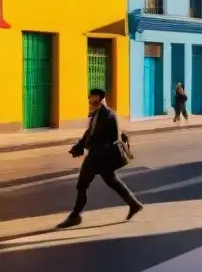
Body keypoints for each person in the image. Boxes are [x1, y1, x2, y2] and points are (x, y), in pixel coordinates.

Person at [57, 89, 143, 229]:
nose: (92, 103)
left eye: (95, 100)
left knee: (82, 184)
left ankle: (75, 215)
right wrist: (79, 146)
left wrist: (97, 149)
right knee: (112, 181)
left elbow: (114, 138)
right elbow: (89, 133)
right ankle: (134, 204)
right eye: (90, 100)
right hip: (97, 155)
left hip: (99, 156)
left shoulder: (109, 115)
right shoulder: (96, 114)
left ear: (102, 100)